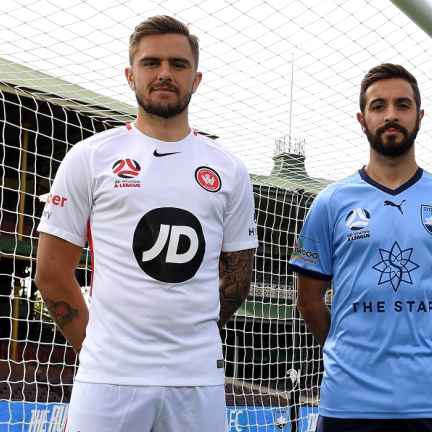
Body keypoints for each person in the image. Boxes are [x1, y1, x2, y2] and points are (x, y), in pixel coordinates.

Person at [34, 15, 257, 432]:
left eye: (178, 64)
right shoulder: (90, 157)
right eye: (151, 63)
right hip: (108, 381)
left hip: (197, 382)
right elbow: (51, 272)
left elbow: (237, 278)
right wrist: (101, 350)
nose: (164, 74)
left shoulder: (229, 170)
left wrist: (188, 339)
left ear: (197, 78)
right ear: (129, 75)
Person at [290, 63, 432, 432]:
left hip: (430, 401)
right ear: (362, 119)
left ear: (420, 116)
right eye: (379, 106)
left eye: (402, 105)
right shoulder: (330, 202)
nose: (391, 115)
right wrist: (344, 351)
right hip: (346, 401)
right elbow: (308, 300)